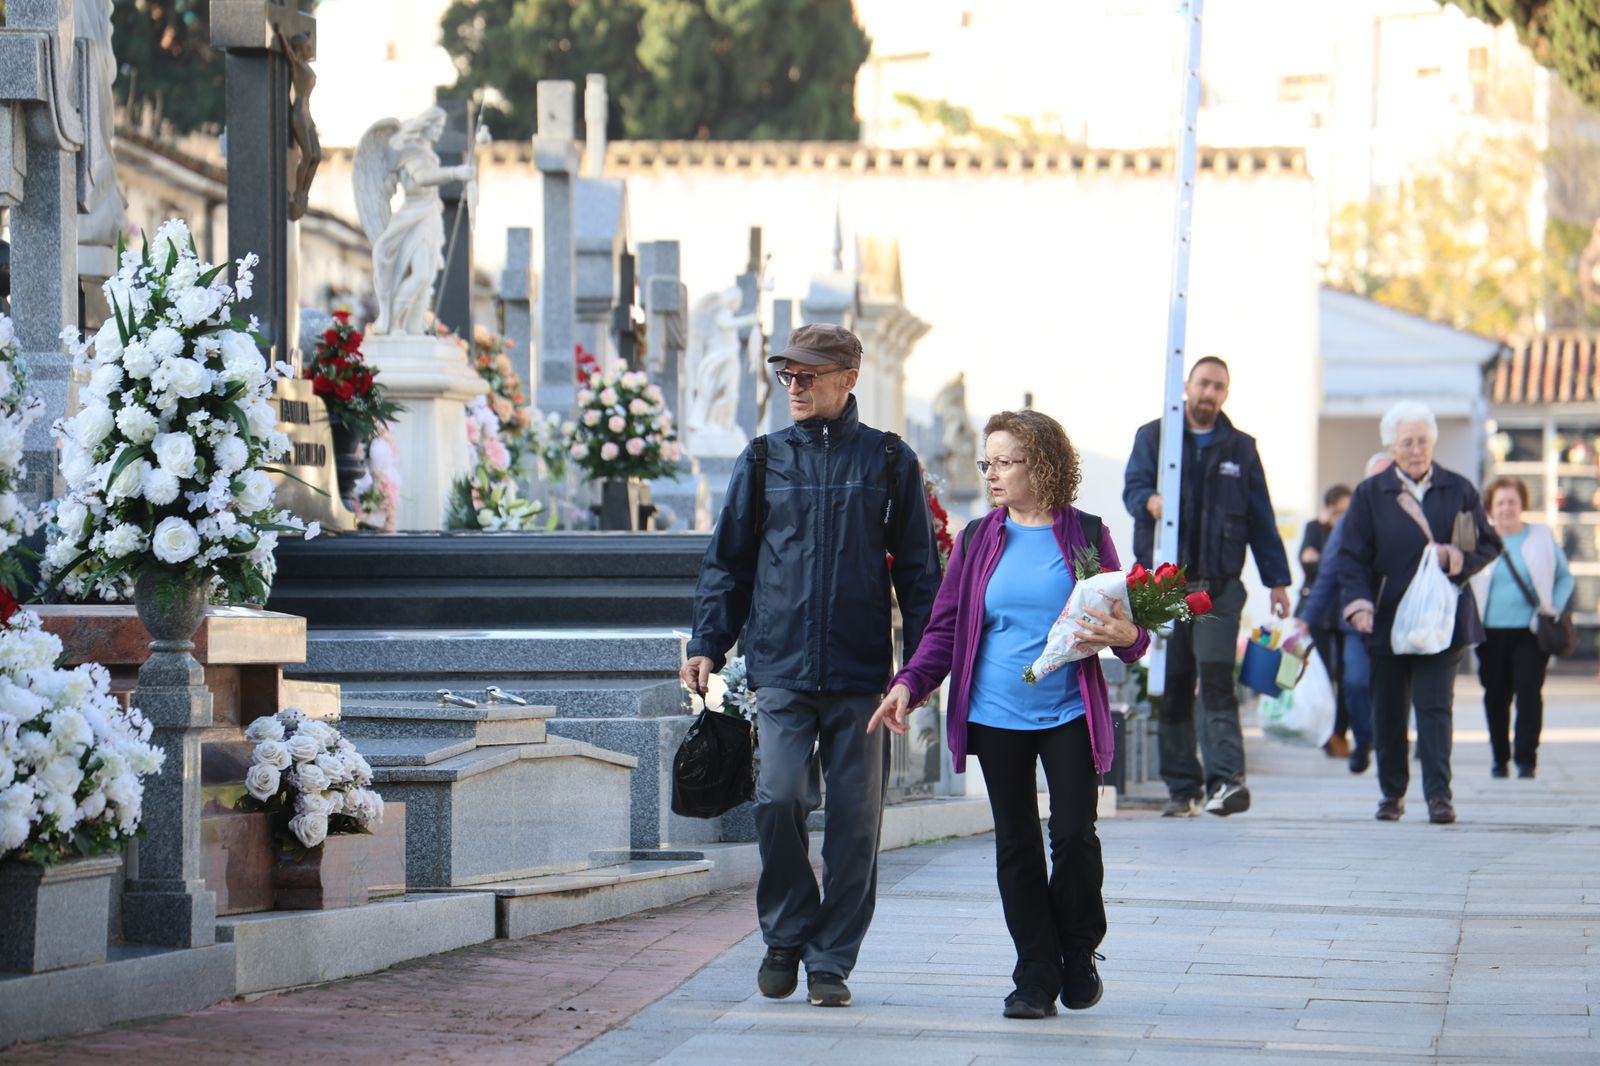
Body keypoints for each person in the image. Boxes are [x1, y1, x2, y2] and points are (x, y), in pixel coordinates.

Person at [681, 323, 942, 1009]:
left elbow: (920, 576)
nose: (794, 385)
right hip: (783, 670)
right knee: (778, 800)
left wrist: (920, 672)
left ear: (847, 378)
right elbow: (728, 561)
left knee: (856, 824)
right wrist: (709, 640)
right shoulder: (764, 459)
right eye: (787, 374)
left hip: (863, 678)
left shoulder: (888, 461)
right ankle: (787, 932)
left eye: (809, 374)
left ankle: (830, 959)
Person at [869, 410, 1149, 1020]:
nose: (990, 474)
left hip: (1069, 709)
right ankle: (1035, 972)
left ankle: (1078, 951)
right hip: (996, 712)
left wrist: (1128, 635)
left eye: (1003, 462)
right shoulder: (977, 538)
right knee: (1017, 844)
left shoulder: (1086, 535)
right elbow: (945, 628)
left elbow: (1127, 630)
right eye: (986, 463)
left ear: (1041, 464)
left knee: (1074, 834)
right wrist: (908, 685)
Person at [1122, 356, 1292, 818]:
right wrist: (1148, 500)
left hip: (1218, 589)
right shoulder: (1154, 436)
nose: (1209, 394)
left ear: (1226, 394)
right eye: (1203, 384)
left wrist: (1277, 580)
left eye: (1218, 387)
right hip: (1165, 588)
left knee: (1216, 678)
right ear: (1187, 385)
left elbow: (1261, 519)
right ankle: (1182, 788)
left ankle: (1227, 782)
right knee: (1173, 684)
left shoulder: (1241, 448)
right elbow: (1131, 487)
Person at [1336, 401, 1500, 824]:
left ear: (1433, 443)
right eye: (1407, 442)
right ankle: (1392, 794)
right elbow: (1351, 556)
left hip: (1442, 620)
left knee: (1434, 709)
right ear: (1392, 446)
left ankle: (1439, 797)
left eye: (1423, 441)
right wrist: (1359, 604)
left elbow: (1485, 543)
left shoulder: (1458, 489)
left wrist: (1455, 559)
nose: (1416, 449)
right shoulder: (1371, 494)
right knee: (1388, 711)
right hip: (1386, 619)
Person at [1468, 476, 1574, 779]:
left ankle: (1526, 759)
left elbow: (1565, 577)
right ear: (1490, 507)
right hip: (1489, 633)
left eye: (1512, 502)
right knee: (1495, 695)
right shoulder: (1480, 539)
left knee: (1529, 693)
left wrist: (1552, 607)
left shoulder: (1540, 536)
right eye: (1500, 502)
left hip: (1530, 632)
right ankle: (1499, 758)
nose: (1506, 508)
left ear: (1522, 504)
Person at [1296, 457, 1390, 773]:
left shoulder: (1414, 516)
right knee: (1354, 683)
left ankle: (1390, 749)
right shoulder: (1351, 521)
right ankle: (1365, 740)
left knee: (1395, 690)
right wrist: (1307, 617)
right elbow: (1327, 572)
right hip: (1356, 623)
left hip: (1399, 622)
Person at [1298, 484, 1353, 757]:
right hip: (1318, 611)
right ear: (1328, 510)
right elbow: (1307, 563)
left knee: (1346, 675)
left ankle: (1338, 733)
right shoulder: (1314, 528)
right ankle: (1322, 731)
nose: (1343, 517)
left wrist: (1323, 562)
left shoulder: (1356, 528)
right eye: (1338, 512)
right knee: (1321, 674)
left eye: (1347, 511)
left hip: (1344, 611)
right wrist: (1329, 564)